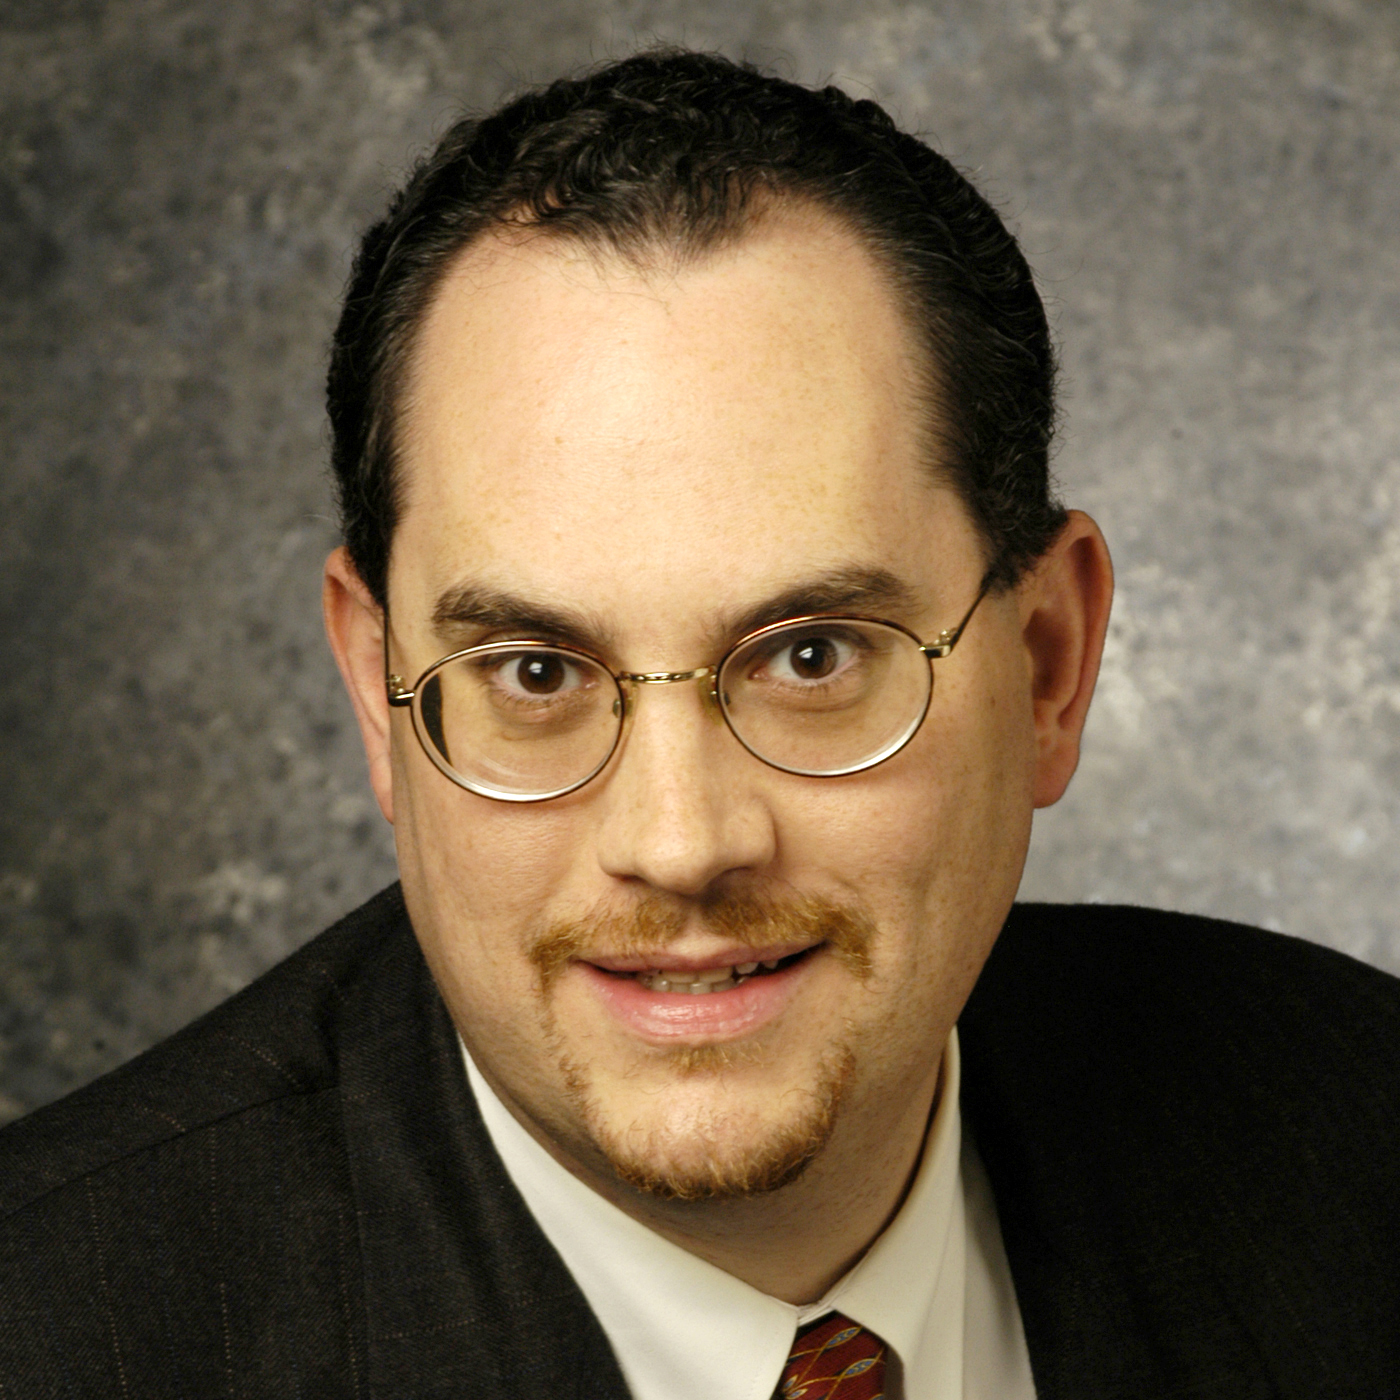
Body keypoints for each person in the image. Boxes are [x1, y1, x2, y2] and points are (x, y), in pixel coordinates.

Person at [1, 48, 1396, 1400]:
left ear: (1048, 666)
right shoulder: (55, 1333)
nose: (679, 844)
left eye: (810, 655)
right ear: (380, 693)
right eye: (534, 674)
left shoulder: (1350, 1135)